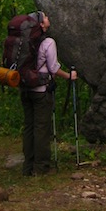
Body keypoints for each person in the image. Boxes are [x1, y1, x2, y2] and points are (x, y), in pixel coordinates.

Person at [20, 11, 76, 176]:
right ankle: (42, 167)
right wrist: (69, 76)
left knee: (29, 127)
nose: (48, 18)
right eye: (45, 17)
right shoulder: (48, 42)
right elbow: (53, 68)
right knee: (41, 129)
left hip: (25, 89)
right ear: (41, 25)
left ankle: (27, 167)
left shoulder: (23, 41)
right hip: (41, 91)